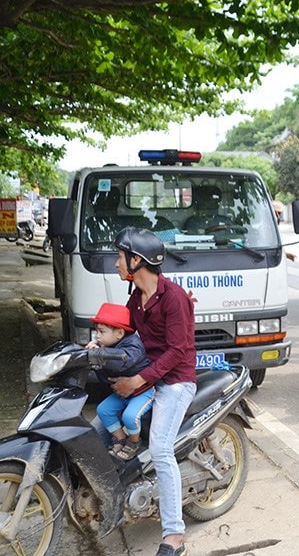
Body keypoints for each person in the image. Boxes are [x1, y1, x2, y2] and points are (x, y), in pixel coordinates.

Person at [109, 227, 197, 556]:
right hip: (148, 377)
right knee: (103, 425)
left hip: (176, 381)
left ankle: (174, 536)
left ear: (137, 260)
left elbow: (177, 351)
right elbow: (124, 335)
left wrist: (138, 380)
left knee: (161, 449)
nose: (116, 263)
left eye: (120, 257)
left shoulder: (173, 298)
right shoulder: (135, 298)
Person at [86, 302, 154, 461]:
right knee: (103, 410)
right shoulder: (107, 345)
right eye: (97, 331)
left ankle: (134, 442)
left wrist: (99, 354)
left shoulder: (133, 345)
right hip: (123, 392)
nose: (98, 336)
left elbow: (123, 361)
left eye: (102, 331)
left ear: (119, 333)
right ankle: (120, 438)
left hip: (143, 391)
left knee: (130, 417)